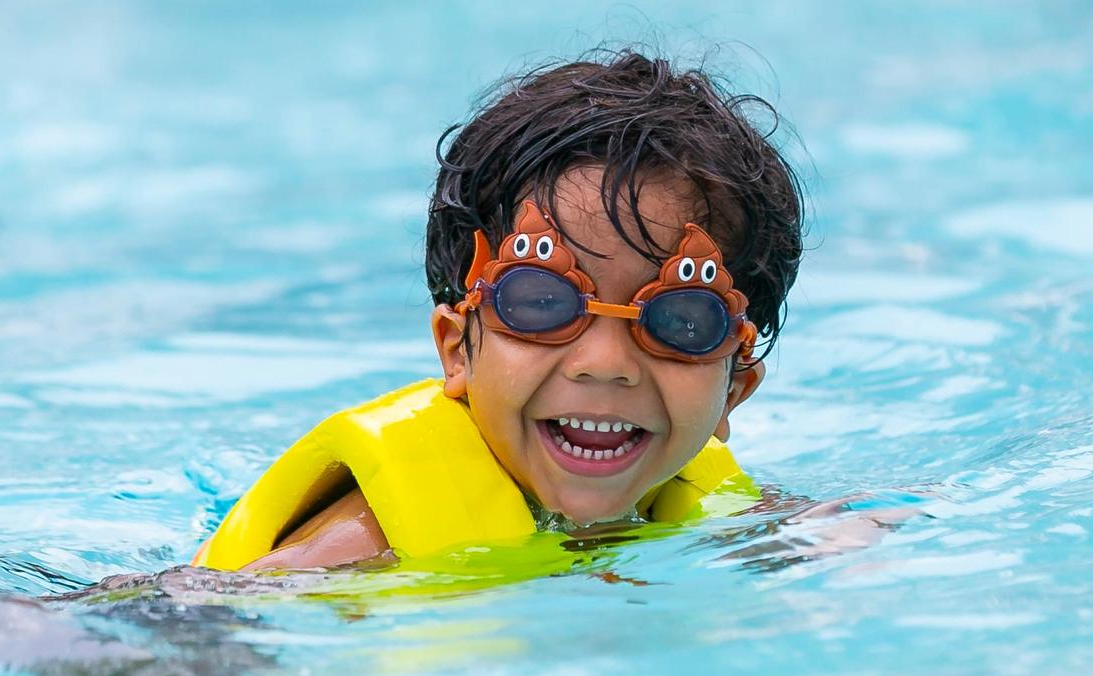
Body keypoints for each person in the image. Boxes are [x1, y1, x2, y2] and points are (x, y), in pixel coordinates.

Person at [191, 50, 803, 572]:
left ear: (733, 391)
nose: (605, 363)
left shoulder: (701, 496)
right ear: (457, 348)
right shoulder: (358, 549)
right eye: (542, 304)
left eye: (682, 323)